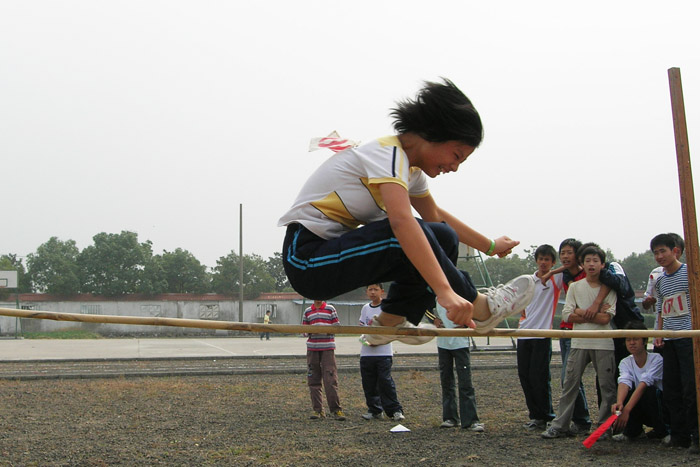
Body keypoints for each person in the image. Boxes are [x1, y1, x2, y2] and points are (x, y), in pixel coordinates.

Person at [278, 78, 535, 345]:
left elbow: (436, 218)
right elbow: (401, 223)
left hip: (339, 254)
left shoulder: (410, 172)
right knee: (407, 231)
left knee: (442, 236)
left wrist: (490, 245)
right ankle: (481, 307)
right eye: (457, 156)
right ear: (432, 134)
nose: (454, 167)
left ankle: (389, 321)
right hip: (307, 261)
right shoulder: (387, 154)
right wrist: (445, 292)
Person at [541, 244, 617, 439]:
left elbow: (606, 319)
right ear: (582, 264)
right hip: (578, 342)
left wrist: (579, 312)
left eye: (595, 261)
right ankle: (561, 425)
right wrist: (591, 313)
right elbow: (567, 315)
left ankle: (604, 428)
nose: (591, 264)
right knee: (569, 385)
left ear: (602, 264)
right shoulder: (575, 287)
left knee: (607, 387)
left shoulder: (609, 288)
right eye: (587, 261)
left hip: (603, 343)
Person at [651, 233, 698, 452]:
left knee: (691, 388)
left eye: (663, 251)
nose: (659, 256)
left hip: (688, 338)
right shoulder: (660, 281)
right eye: (656, 253)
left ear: (675, 251)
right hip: (669, 340)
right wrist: (657, 333)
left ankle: (696, 435)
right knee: (671, 389)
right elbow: (660, 309)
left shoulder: (691, 274)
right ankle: (679, 435)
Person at [542, 239, 592, 432]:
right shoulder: (564, 274)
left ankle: (574, 422)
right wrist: (552, 273)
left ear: (578, 255)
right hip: (566, 330)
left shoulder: (587, 275)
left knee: (568, 378)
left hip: (580, 331)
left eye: (569, 252)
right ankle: (582, 420)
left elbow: (584, 305)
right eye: (562, 252)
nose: (564, 256)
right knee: (571, 378)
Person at [517, 244, 562, 431]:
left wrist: (551, 273)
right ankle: (535, 416)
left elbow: (572, 265)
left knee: (539, 376)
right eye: (541, 259)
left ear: (552, 262)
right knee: (525, 376)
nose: (543, 263)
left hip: (542, 334)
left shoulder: (556, 279)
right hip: (523, 334)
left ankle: (547, 414)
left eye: (547, 260)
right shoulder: (528, 281)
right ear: (536, 260)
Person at [429, 304, 484, 432]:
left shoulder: (461, 288)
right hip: (443, 342)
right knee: (446, 381)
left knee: (465, 382)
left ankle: (471, 420)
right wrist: (433, 319)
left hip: (460, 342)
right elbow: (425, 306)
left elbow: (476, 305)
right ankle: (450, 418)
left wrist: (468, 322)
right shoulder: (435, 290)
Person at [611, 321, 667, 442]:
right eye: (628, 339)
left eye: (636, 339)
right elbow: (624, 382)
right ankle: (633, 432)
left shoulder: (656, 359)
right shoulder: (625, 362)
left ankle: (664, 432)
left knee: (650, 392)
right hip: (640, 407)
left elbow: (644, 383)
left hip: (659, 408)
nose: (631, 343)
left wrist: (627, 410)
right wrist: (620, 404)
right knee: (625, 393)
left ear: (645, 341)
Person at [358, 283, 405, 421]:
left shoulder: (387, 308)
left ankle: (395, 410)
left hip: (383, 353)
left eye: (375, 290)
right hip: (367, 353)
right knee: (369, 383)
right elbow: (361, 331)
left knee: (385, 381)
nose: (373, 292)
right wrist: (366, 342)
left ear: (382, 291)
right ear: (366, 292)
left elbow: (393, 332)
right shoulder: (365, 308)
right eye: (370, 289)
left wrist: (377, 342)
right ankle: (374, 410)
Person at [303, 299, 345, 420]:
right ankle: (318, 410)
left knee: (330, 378)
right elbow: (304, 330)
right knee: (313, 379)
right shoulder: (308, 311)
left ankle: (336, 409)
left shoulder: (330, 309)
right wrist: (311, 330)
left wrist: (325, 329)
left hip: (327, 348)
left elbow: (337, 326)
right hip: (312, 349)